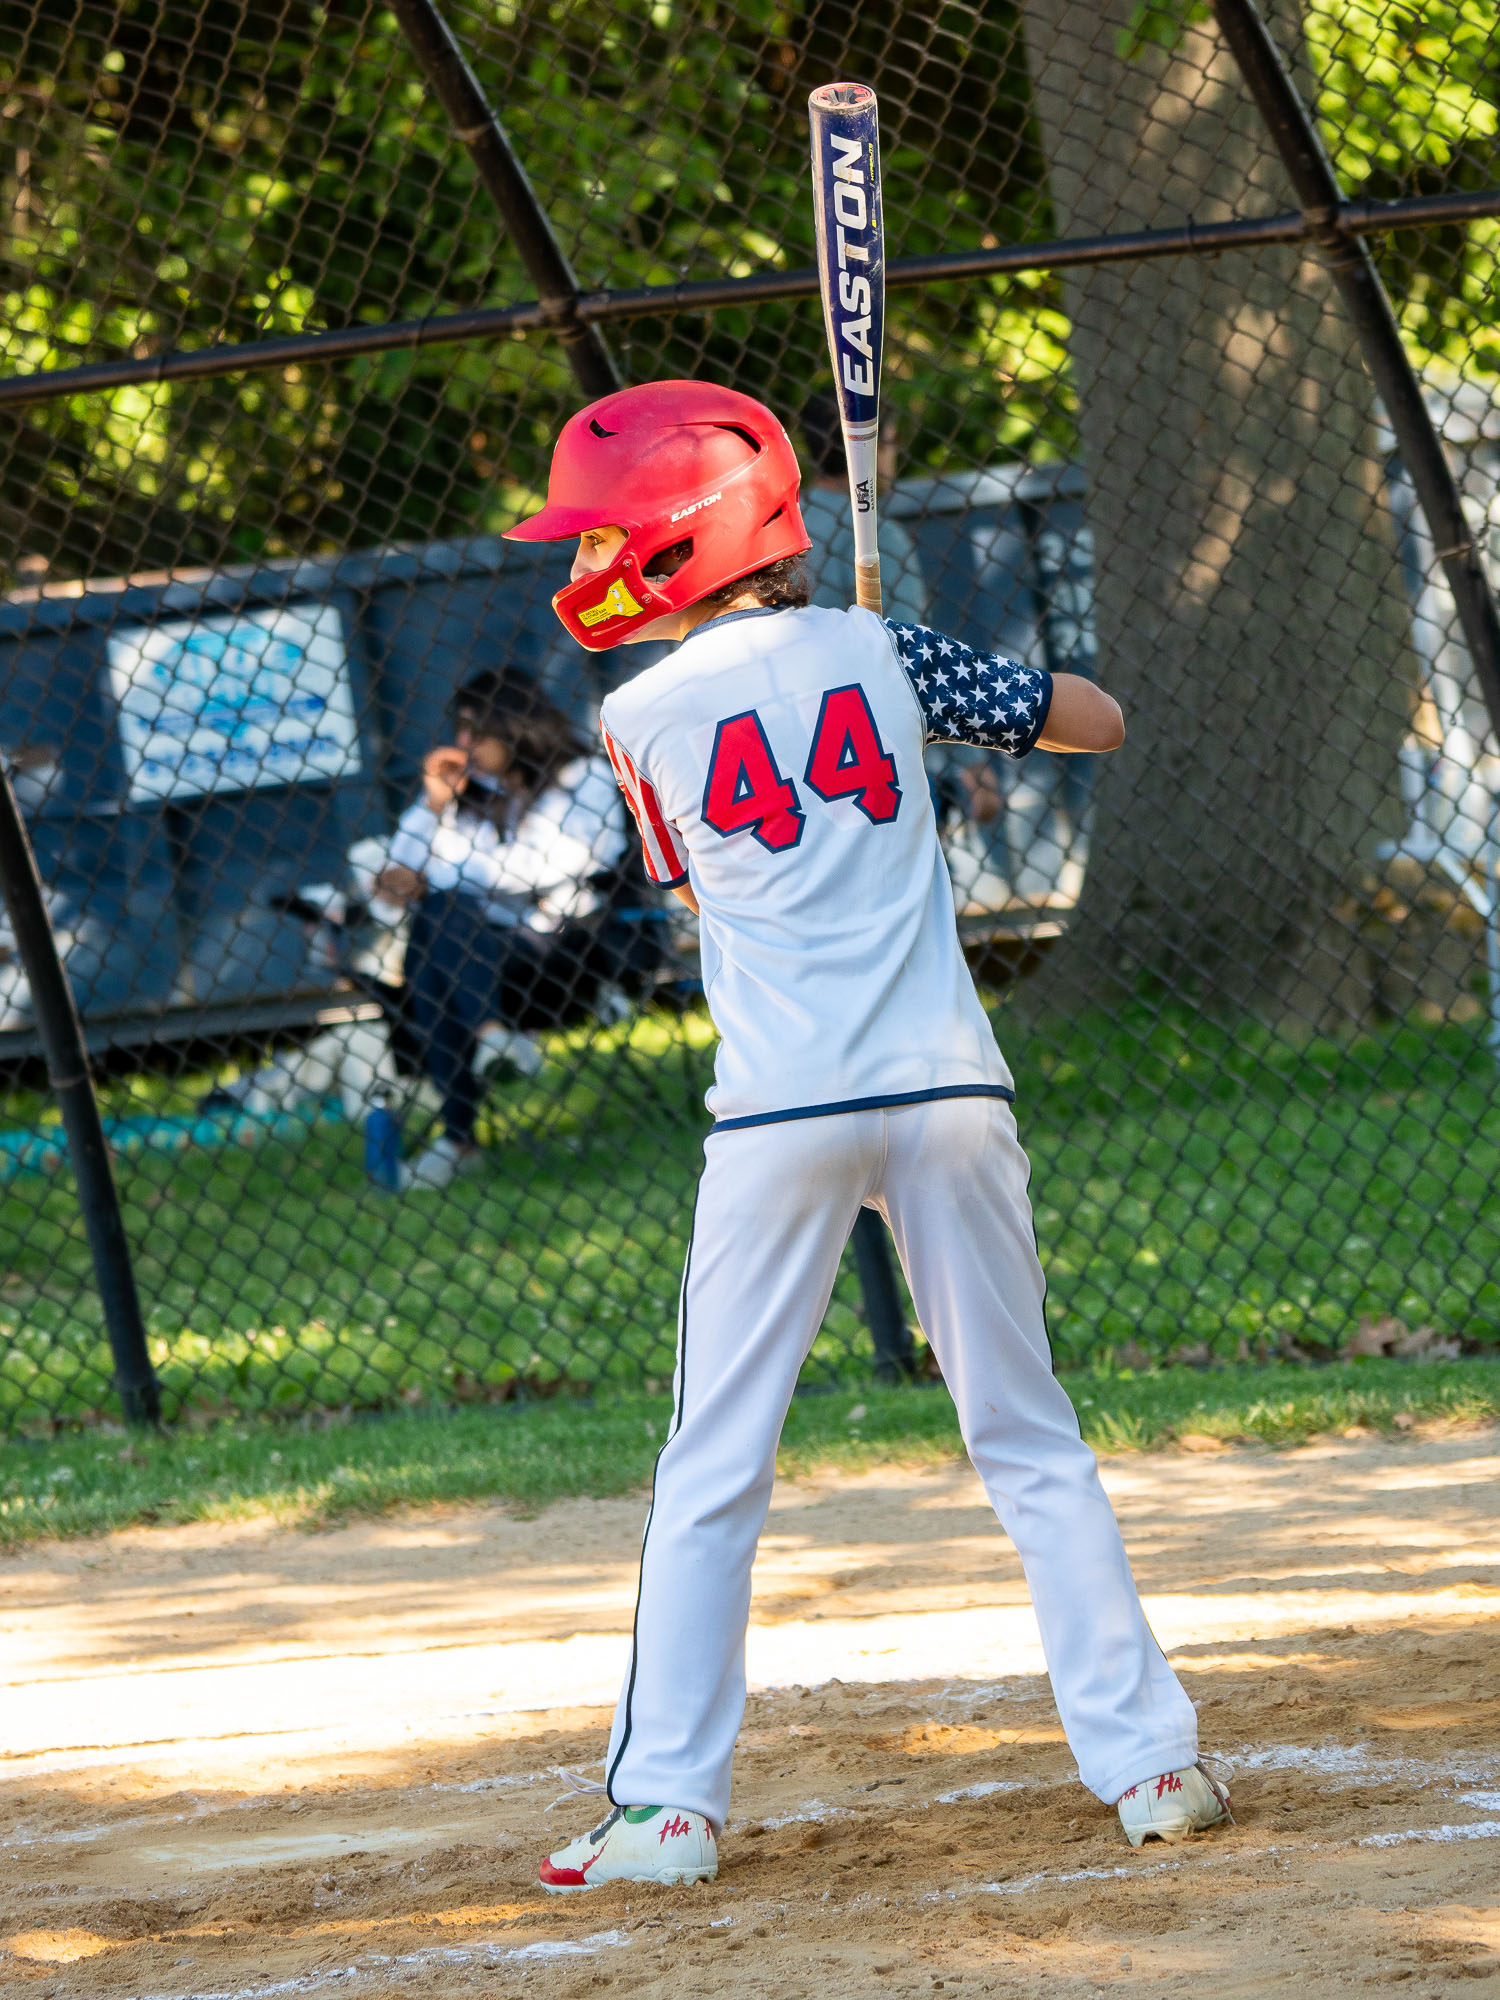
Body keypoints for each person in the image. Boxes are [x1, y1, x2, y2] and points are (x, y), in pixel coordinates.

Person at [501, 379, 1231, 1891]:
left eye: (610, 539)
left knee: (714, 1463)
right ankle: (1154, 1762)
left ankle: (670, 1811)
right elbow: (1095, 722)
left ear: (684, 546)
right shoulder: (884, 648)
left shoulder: (634, 717)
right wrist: (900, 701)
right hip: (953, 1097)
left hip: (780, 1115)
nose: (586, 568)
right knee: (1029, 1439)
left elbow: (707, 888)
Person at [376, 667, 632, 1191]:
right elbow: (396, 875)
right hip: (479, 955)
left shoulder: (582, 777)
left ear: (513, 725)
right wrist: (433, 802)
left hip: (564, 951)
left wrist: (434, 874)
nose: (462, 743)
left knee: (438, 921)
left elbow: (554, 862)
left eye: (475, 730)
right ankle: (492, 1039)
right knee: (438, 923)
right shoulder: (469, 792)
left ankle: (458, 1139)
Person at [798, 391, 929, 623]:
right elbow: (904, 642)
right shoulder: (878, 535)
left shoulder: (787, 523)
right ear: (873, 443)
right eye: (894, 439)